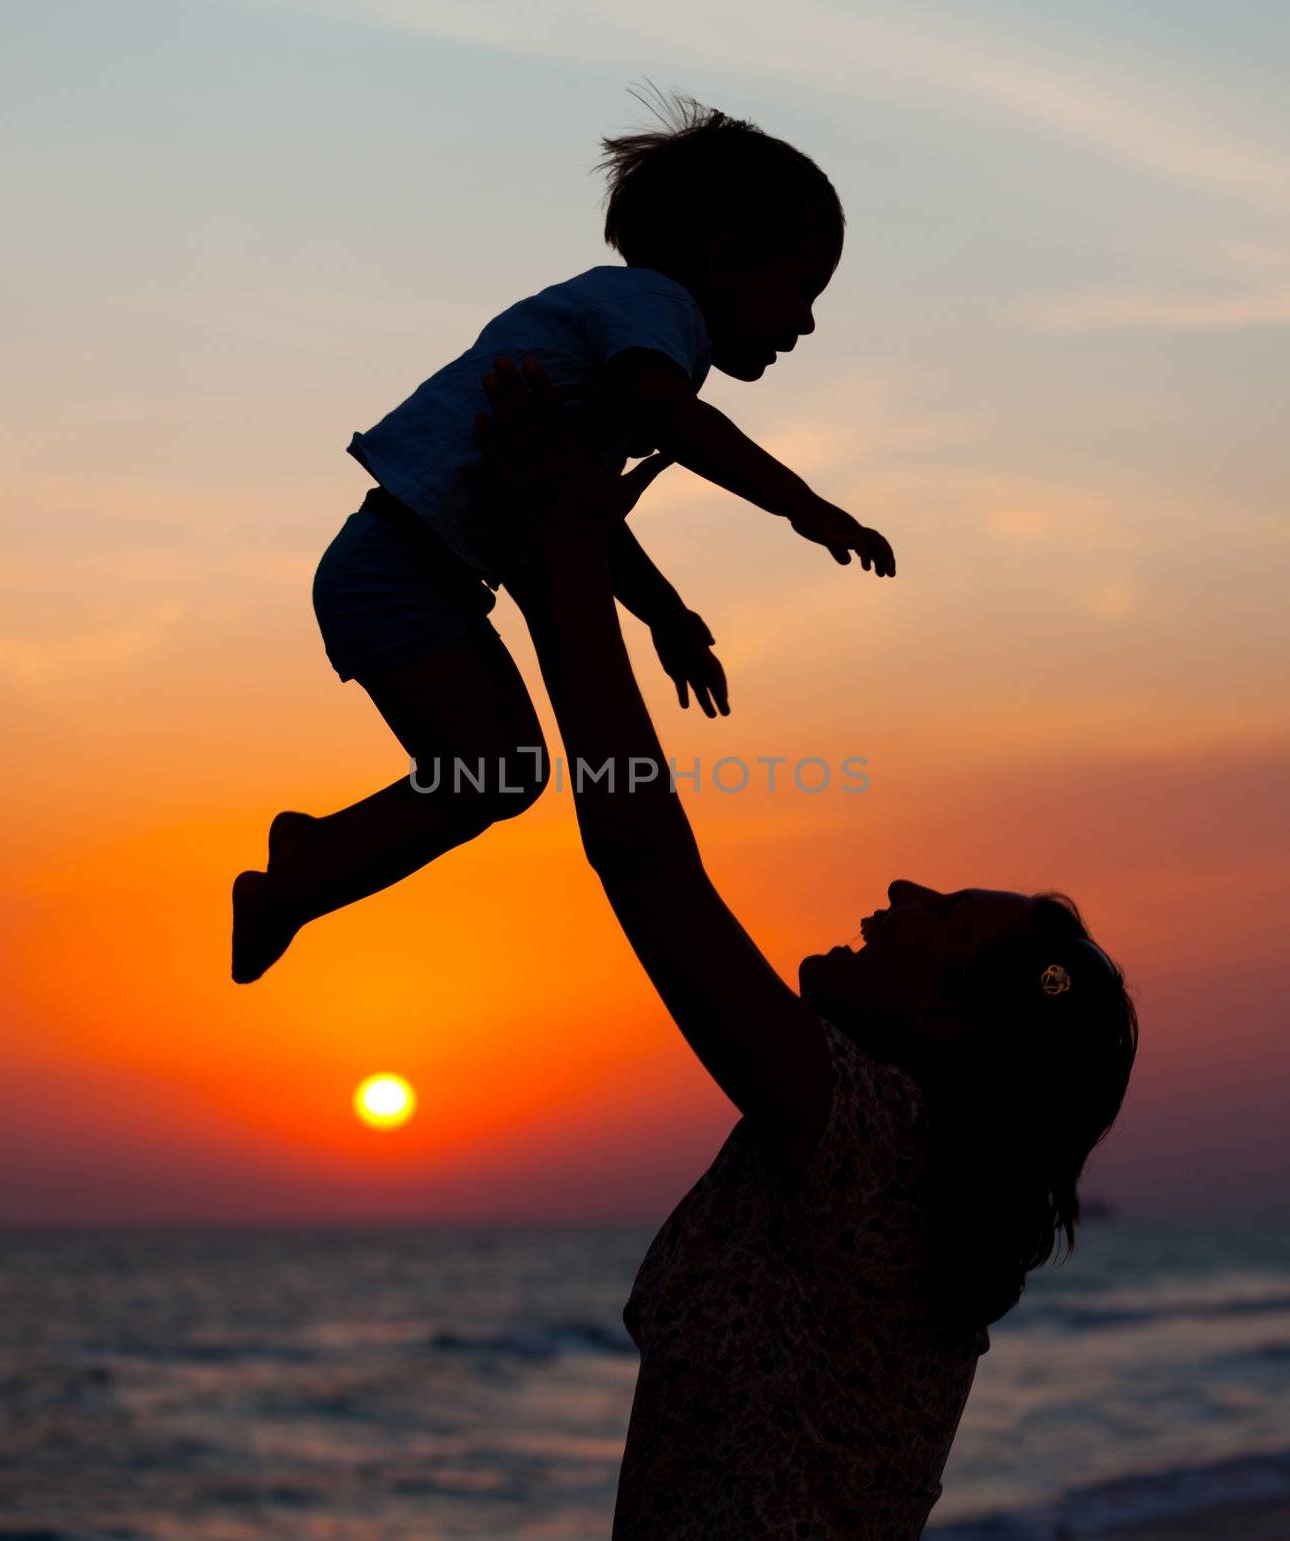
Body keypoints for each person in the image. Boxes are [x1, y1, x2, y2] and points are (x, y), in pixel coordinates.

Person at [476, 356, 1139, 1539]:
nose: (898, 885)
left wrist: (565, 559)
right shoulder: (914, 1178)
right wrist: (550, 568)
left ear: (946, 1019)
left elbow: (647, 864)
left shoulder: (863, 1136)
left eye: (938, 913)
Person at [231, 91, 894, 984]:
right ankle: (299, 877)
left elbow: (579, 522)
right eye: (802, 293)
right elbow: (677, 423)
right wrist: (803, 504)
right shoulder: (654, 311)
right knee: (501, 770)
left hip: (408, 570)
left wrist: (666, 614)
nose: (807, 324)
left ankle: (317, 854)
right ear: (728, 257)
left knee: (503, 770)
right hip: (396, 572)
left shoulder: (624, 330)